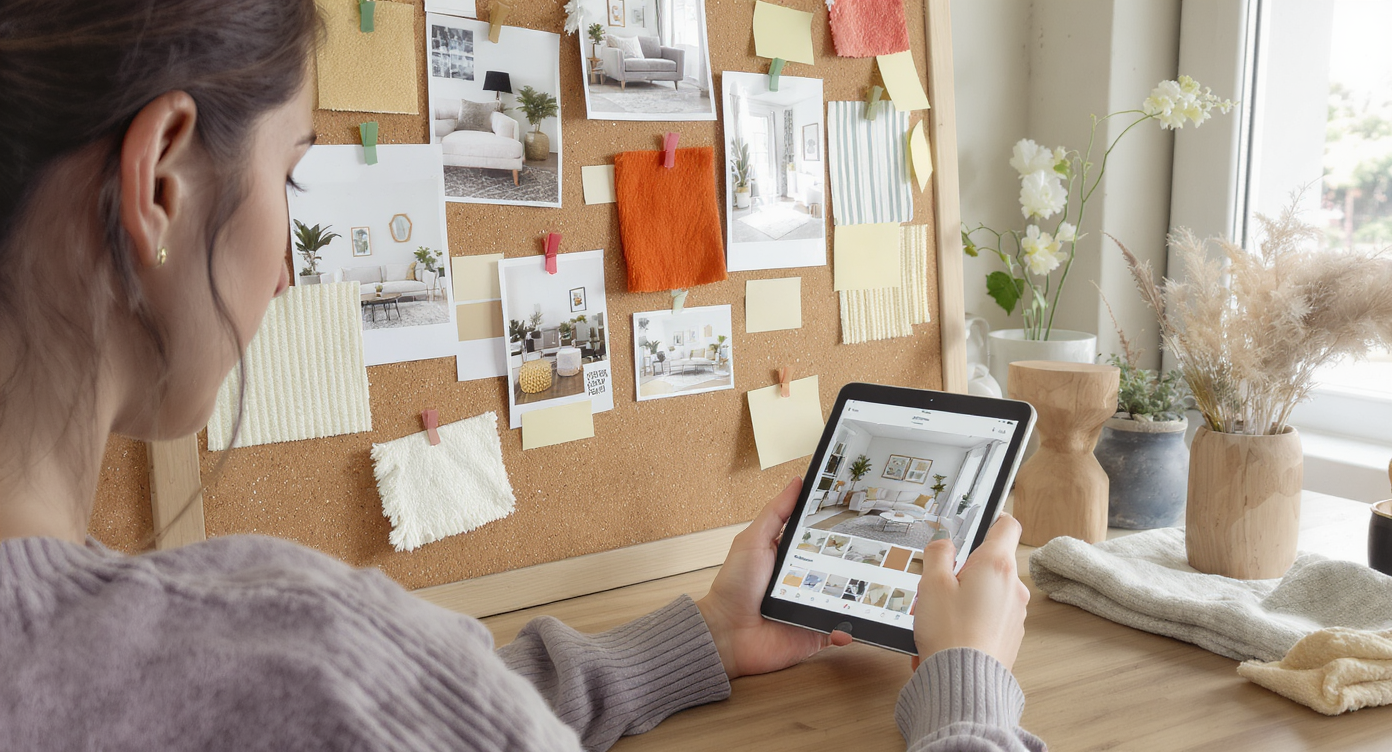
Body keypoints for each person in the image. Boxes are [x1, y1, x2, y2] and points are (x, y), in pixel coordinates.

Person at [0, 1, 1042, 749]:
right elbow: (347, 702)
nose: (288, 268)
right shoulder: (298, 652)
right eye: (292, 175)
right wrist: (968, 691)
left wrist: (704, 637)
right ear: (162, 180)